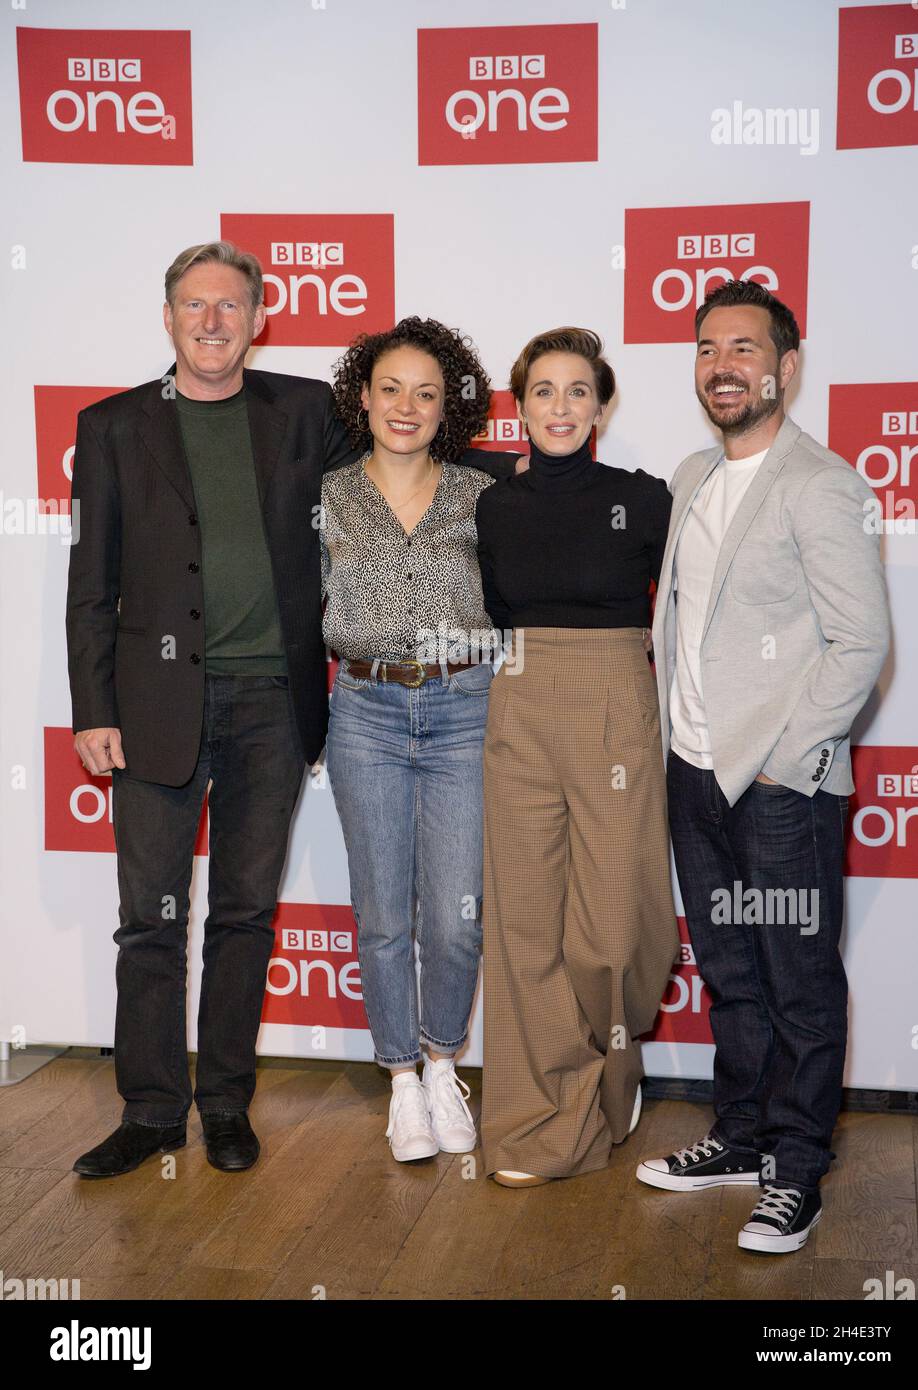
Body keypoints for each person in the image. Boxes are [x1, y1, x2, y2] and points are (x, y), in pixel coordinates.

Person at [65, 244, 515, 1179]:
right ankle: (150, 1111)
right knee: (149, 920)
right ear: (167, 316)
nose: (212, 322)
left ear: (260, 318)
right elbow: (90, 584)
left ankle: (225, 1102)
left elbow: (415, 451)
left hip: (275, 703)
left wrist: (548, 473)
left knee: (243, 914)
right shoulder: (109, 427)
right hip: (150, 709)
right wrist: (91, 708)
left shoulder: (305, 412)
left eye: (231, 307)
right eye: (195, 305)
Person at [636, 280, 890, 1254]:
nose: (721, 365)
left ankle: (795, 1171)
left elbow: (859, 642)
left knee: (796, 982)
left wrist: (790, 761)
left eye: (742, 347)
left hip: (778, 790)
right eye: (706, 348)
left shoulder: (819, 483)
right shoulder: (692, 473)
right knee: (731, 975)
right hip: (692, 778)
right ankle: (740, 1137)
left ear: (785, 365)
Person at [474, 327, 679, 1187]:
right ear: (518, 407)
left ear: (601, 404)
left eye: (577, 391)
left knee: (614, 929)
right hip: (519, 700)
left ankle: (614, 1063)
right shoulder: (492, 504)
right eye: (542, 391)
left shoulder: (649, 498)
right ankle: (536, 1122)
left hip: (613, 706)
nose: (560, 407)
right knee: (523, 923)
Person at [322, 317, 503, 1162]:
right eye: (390, 387)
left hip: (465, 708)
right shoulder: (324, 496)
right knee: (383, 914)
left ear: (448, 408)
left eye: (425, 393)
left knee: (458, 916)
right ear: (363, 396)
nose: (406, 406)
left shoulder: (480, 495)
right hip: (363, 711)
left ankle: (442, 1065)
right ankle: (399, 1079)